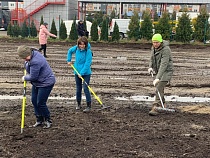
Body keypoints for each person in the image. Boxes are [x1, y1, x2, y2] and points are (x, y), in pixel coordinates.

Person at [17, 45, 56, 128]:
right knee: (34, 101)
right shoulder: (31, 54)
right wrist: (27, 63)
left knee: (40, 102)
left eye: (25, 57)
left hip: (46, 83)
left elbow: (33, 77)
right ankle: (39, 120)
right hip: (37, 83)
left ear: (29, 53)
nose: (24, 59)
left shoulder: (36, 61)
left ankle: (48, 120)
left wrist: (25, 77)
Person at [148, 34, 173, 116]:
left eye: (157, 42)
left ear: (161, 41)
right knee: (160, 88)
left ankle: (156, 106)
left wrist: (157, 77)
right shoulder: (153, 48)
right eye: (153, 42)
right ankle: (163, 104)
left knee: (158, 87)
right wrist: (150, 67)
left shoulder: (166, 50)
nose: (155, 44)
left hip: (167, 71)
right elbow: (152, 58)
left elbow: (164, 64)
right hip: (159, 71)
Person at [66, 36, 93, 112]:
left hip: (86, 73)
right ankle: (78, 104)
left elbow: (88, 63)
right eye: (80, 44)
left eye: (83, 44)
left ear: (86, 44)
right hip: (77, 71)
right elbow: (70, 51)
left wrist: (82, 73)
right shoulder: (76, 48)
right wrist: (69, 60)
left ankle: (88, 106)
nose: (81, 46)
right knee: (78, 88)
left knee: (85, 88)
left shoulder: (88, 52)